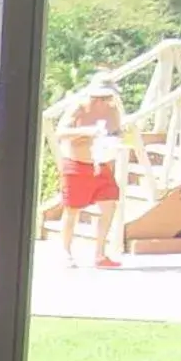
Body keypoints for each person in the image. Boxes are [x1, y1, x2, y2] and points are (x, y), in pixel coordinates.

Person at [55, 71, 127, 268]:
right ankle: (66, 252)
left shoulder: (114, 110)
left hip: (102, 164)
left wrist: (117, 139)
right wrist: (86, 131)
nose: (104, 101)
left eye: (108, 97)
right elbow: (61, 132)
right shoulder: (78, 108)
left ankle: (100, 254)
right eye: (100, 97)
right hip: (77, 164)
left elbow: (118, 131)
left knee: (109, 204)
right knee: (72, 209)